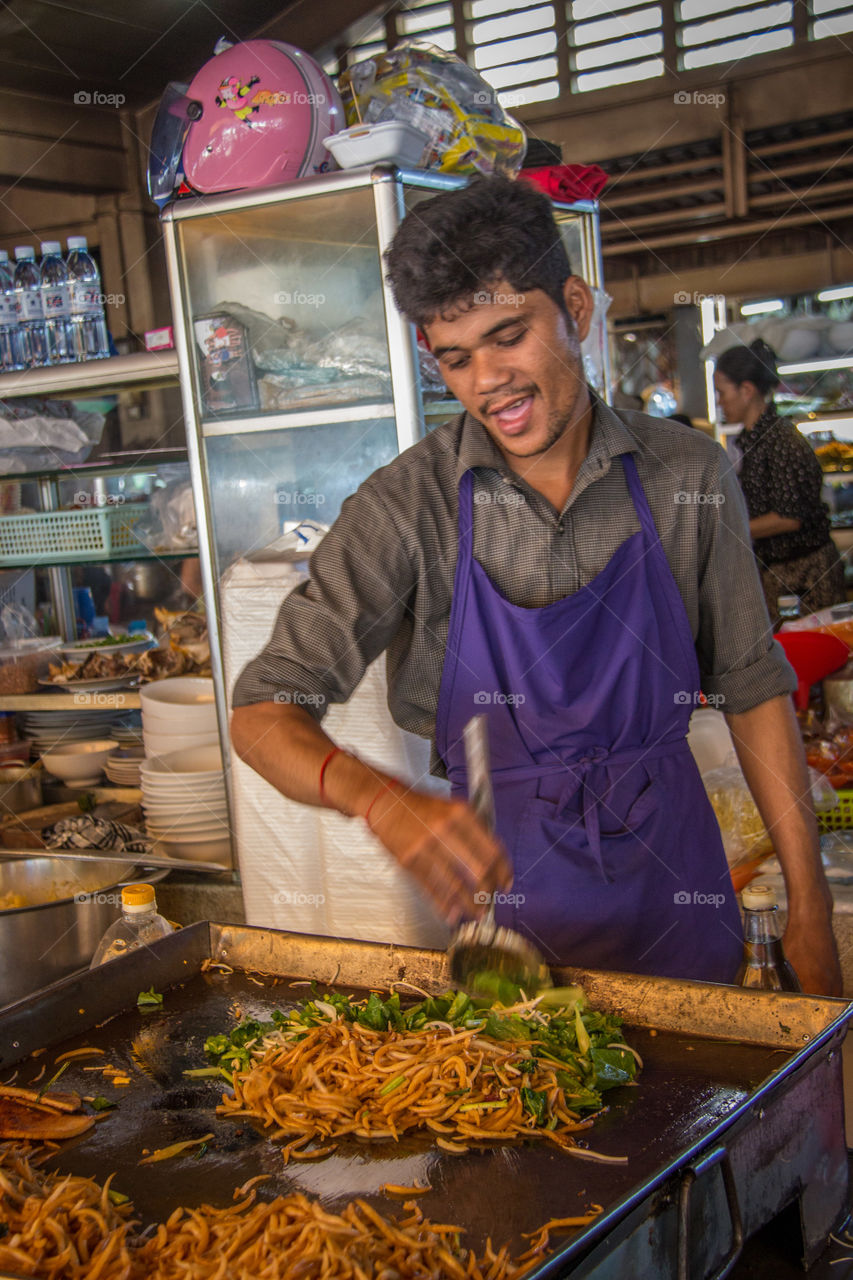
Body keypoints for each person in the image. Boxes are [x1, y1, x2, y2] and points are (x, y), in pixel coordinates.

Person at [232, 176, 840, 996]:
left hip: (684, 896)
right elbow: (263, 712)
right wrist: (378, 801)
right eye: (456, 358)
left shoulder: (685, 475)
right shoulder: (407, 506)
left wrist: (809, 906)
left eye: (508, 336)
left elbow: (751, 684)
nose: (488, 381)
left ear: (577, 309)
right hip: (511, 936)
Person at [714, 339, 845, 627]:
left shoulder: (781, 440)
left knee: (817, 658)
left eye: (722, 393)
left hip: (807, 576)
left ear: (746, 390)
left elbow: (789, 518)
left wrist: (729, 531)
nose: (720, 402)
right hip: (777, 575)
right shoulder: (753, 441)